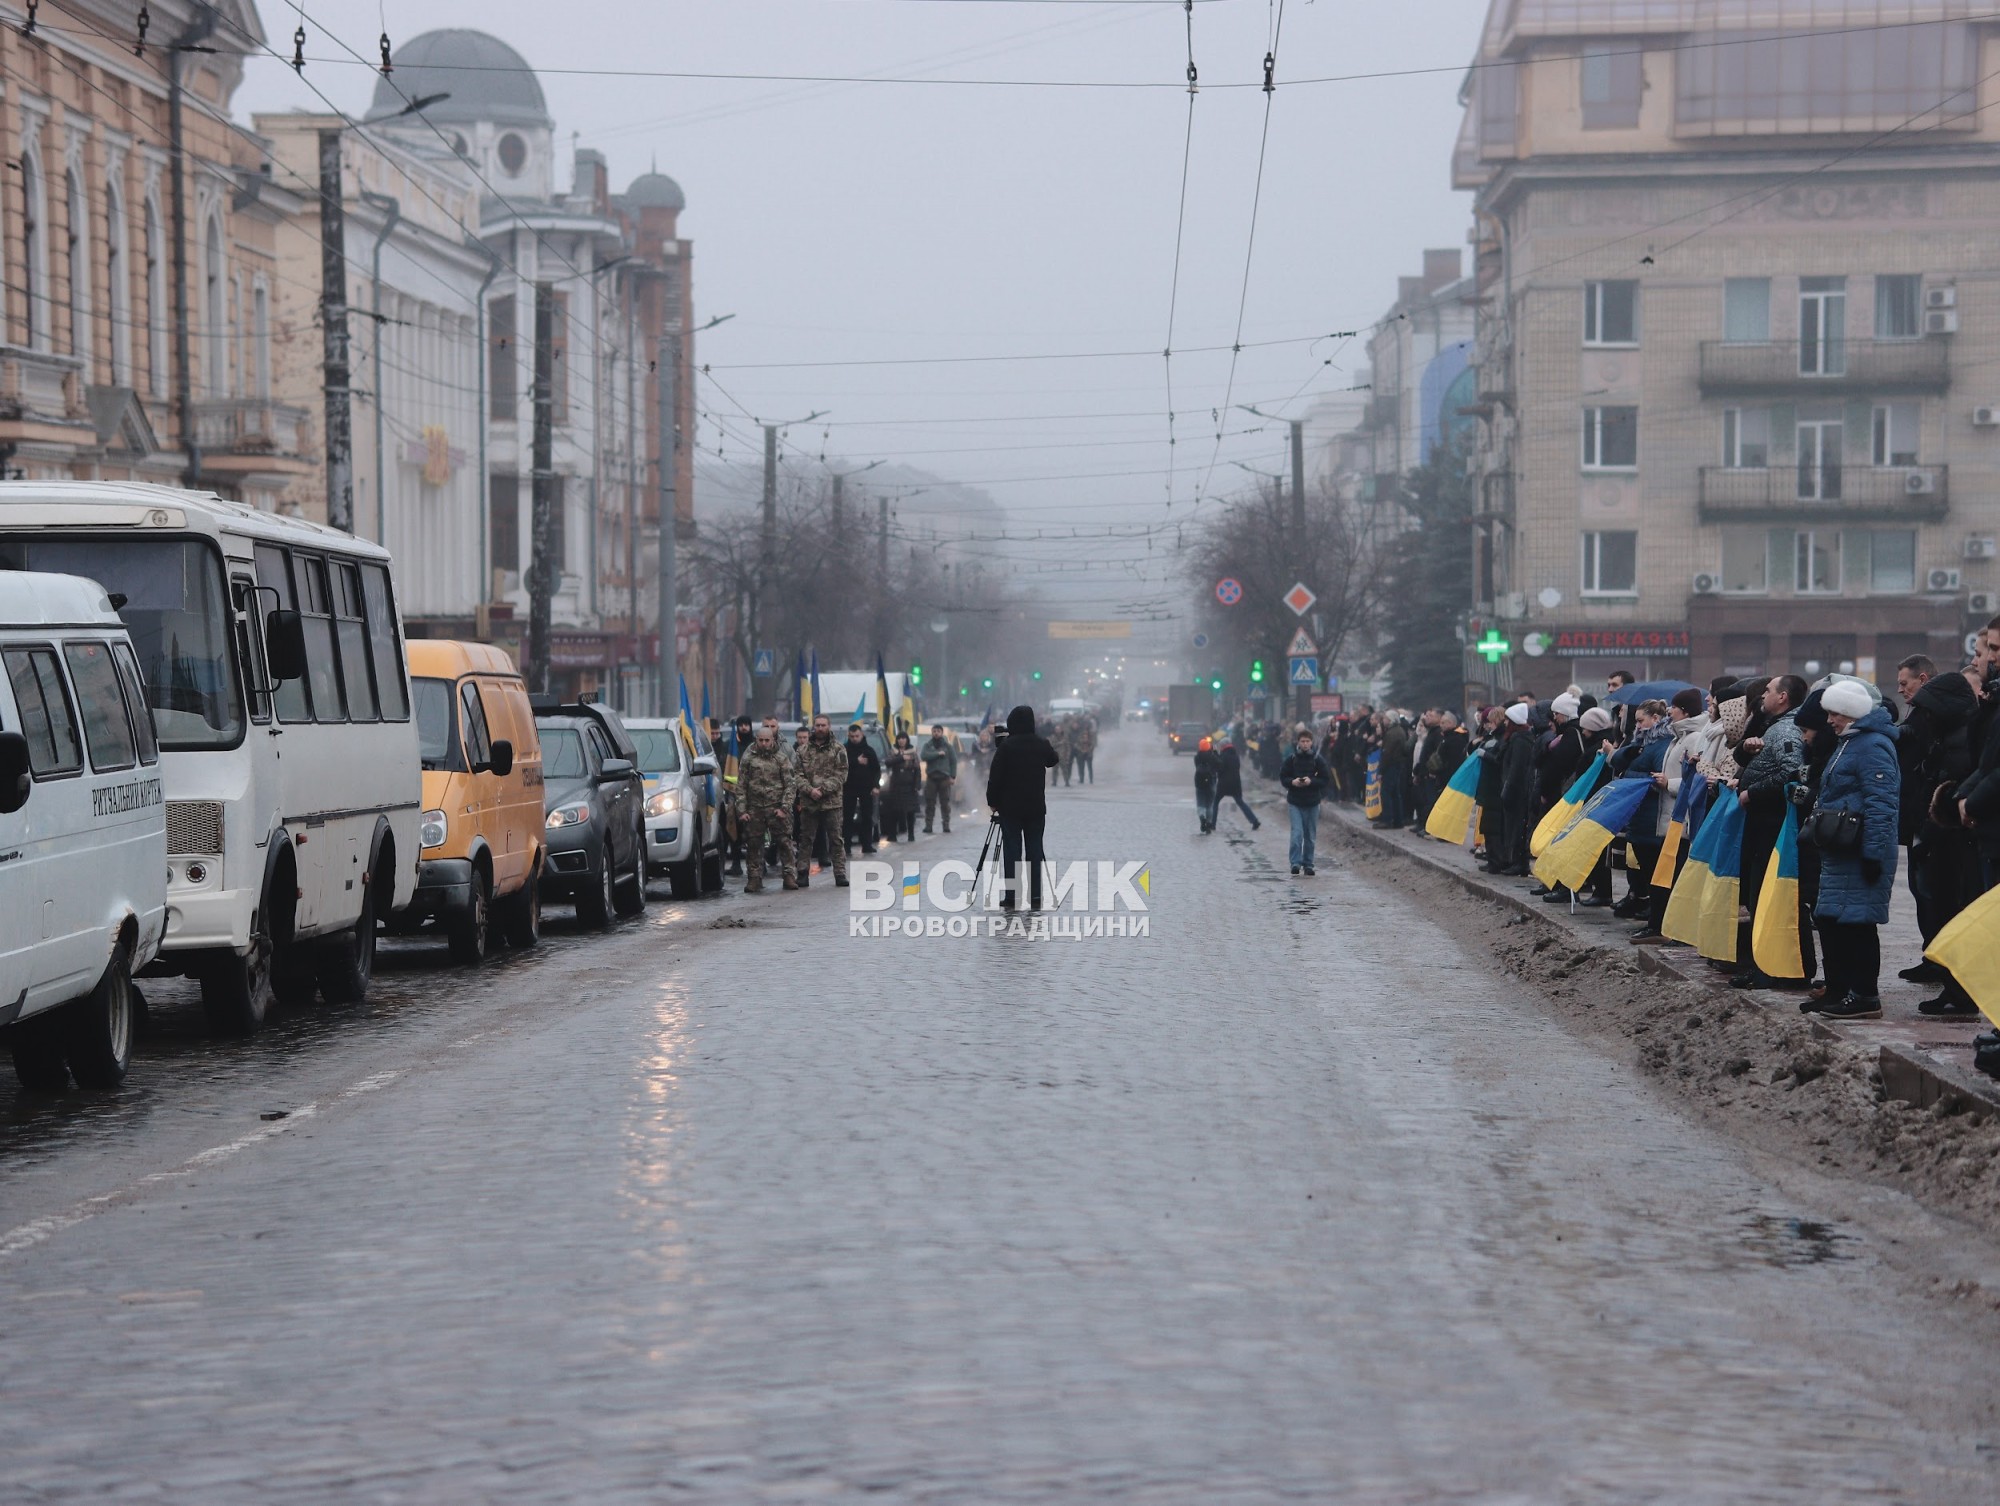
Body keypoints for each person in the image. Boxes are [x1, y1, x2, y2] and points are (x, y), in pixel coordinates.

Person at [1808, 679, 1901, 1020]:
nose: (1829, 720)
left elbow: (1883, 805)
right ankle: (1838, 990)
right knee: (1833, 922)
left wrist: (1873, 854)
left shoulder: (1873, 745)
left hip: (1860, 850)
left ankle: (1864, 995)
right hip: (1840, 850)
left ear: (1849, 713)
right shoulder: (1850, 743)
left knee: (1857, 924)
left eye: (1834, 713)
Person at [1732, 675, 1810, 989]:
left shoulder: (1787, 728)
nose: (1763, 695)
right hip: (1764, 823)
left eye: (1768, 690)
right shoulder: (1773, 725)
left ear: (1783, 697)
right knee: (1758, 894)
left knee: (1770, 895)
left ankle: (1774, 969)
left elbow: (1790, 772)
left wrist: (1754, 793)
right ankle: (1762, 965)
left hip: (1773, 824)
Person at [986, 705, 1059, 909]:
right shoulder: (1040, 744)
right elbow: (1053, 760)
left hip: (1011, 808)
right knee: (1035, 850)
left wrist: (992, 801)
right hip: (1035, 807)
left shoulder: (1007, 746)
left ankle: (1012, 895)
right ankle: (1035, 895)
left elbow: (995, 777)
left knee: (1012, 851)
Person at [737, 725, 798, 894]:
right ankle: (754, 878)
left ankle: (789, 876)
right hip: (755, 808)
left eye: (767, 740)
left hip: (776, 808)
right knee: (754, 844)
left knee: (784, 843)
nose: (764, 744)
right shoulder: (749, 758)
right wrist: (742, 810)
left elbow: (790, 785)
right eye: (761, 740)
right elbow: (741, 785)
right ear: (756, 740)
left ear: (772, 740)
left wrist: (784, 808)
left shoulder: (781, 758)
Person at [796, 715, 850, 888]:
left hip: (831, 802)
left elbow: (841, 774)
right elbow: (796, 775)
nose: (820, 728)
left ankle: (840, 874)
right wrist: (810, 790)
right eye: (817, 725)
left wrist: (823, 790)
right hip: (809, 802)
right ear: (814, 727)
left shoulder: (838, 749)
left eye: (823, 725)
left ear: (829, 726)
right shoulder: (802, 750)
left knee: (835, 839)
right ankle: (803, 872)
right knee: (806, 839)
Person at [1494, 702, 1537, 877]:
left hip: (1517, 791)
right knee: (1512, 827)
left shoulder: (1520, 740)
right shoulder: (1515, 738)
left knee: (1516, 828)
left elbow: (1517, 768)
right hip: (1513, 789)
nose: (1504, 723)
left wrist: (1508, 788)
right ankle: (1515, 861)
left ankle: (1520, 862)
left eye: (1507, 720)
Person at [1279, 729, 1330, 876]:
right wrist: (1292, 782)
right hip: (1295, 801)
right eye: (1303, 741)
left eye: (1308, 741)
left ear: (1312, 742)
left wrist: (1311, 781)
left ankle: (1308, 864)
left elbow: (1325, 779)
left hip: (1313, 802)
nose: (1305, 744)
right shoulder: (1291, 759)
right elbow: (1283, 777)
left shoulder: (1317, 759)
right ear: (1298, 742)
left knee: (1310, 835)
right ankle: (1295, 863)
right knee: (1297, 834)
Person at [842, 722, 882, 856]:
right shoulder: (844, 750)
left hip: (866, 789)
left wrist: (876, 786)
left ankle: (867, 844)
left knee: (867, 817)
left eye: (857, 736)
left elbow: (877, 769)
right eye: (852, 736)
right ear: (848, 736)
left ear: (862, 735)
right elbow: (840, 766)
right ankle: (846, 846)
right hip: (848, 788)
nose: (854, 738)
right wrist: (855, 761)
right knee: (847, 818)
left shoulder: (869, 750)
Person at [881, 731, 922, 843]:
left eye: (903, 738)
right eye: (899, 738)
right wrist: (901, 758)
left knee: (910, 812)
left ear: (907, 740)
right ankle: (893, 835)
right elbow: (888, 762)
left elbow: (917, 769)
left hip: (909, 785)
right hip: (896, 785)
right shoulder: (893, 751)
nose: (901, 740)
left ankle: (911, 834)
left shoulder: (913, 752)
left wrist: (917, 784)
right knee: (894, 811)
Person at [1216, 738, 1261, 831]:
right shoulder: (1235, 755)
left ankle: (1212, 824)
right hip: (1235, 783)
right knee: (1240, 802)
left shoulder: (1223, 756)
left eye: (1220, 746)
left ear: (1223, 746)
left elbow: (1220, 769)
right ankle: (1254, 820)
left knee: (1215, 802)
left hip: (1224, 783)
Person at [1379, 712, 1414, 829]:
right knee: (1395, 793)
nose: (1383, 720)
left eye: (1385, 718)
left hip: (1391, 766)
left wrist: (1380, 770)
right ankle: (1398, 820)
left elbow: (1387, 753)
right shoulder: (1398, 730)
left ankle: (1387, 819)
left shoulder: (1392, 733)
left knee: (1386, 792)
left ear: (1390, 720)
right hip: (1396, 765)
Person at [921, 724, 958, 833]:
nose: (936, 733)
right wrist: (937, 754)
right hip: (932, 777)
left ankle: (946, 824)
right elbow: (924, 756)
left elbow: (953, 761)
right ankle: (928, 825)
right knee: (930, 803)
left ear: (942, 733)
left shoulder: (948, 746)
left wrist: (953, 776)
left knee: (945, 803)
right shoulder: (928, 745)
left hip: (944, 778)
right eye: (934, 731)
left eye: (938, 731)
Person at [1072, 714, 1097, 783]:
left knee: (1090, 767)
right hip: (1081, 753)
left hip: (1089, 753)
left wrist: (1089, 749)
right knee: (1081, 767)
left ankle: (1091, 779)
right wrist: (1081, 749)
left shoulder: (1092, 735)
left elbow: (1093, 743)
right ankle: (1081, 779)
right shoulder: (1080, 735)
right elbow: (1076, 743)